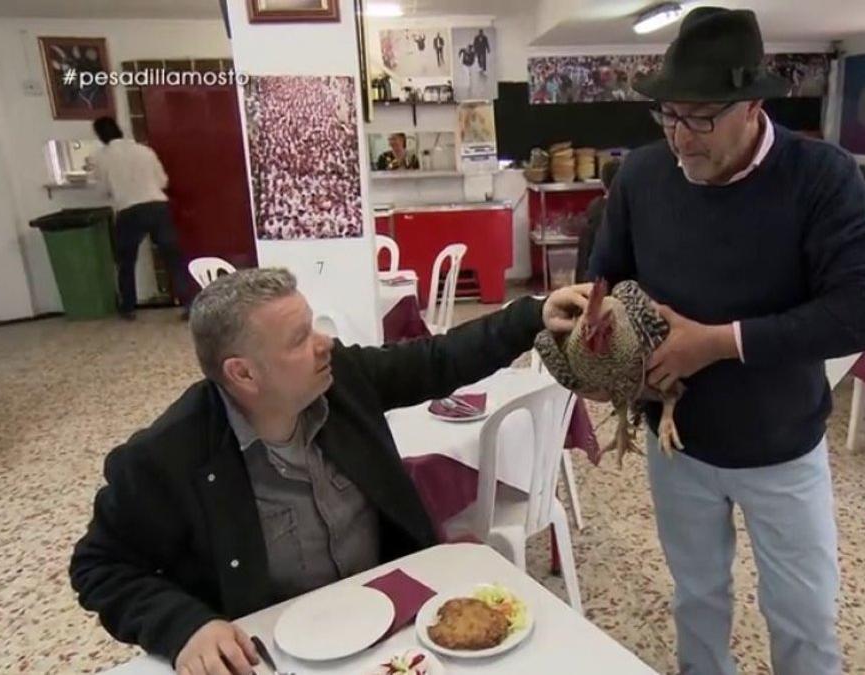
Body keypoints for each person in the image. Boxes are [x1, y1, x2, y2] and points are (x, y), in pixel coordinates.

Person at [70, 267, 590, 675]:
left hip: (393, 631)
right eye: (298, 339)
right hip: (276, 652)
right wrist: (184, 627)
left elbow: (437, 360)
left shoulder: (343, 381)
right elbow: (99, 567)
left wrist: (534, 315)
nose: (323, 342)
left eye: (313, 324)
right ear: (243, 373)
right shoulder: (167, 456)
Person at [588, 8, 865, 675]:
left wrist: (718, 342)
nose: (680, 140)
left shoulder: (820, 176)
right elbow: (606, 279)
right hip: (676, 444)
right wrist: (611, 351)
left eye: (700, 117)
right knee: (697, 599)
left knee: (803, 615)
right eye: (668, 115)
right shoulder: (641, 176)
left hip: (781, 445)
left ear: (752, 104)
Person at [90, 116, 188, 320]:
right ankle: (189, 304)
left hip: (129, 211)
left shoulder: (101, 158)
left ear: (100, 136)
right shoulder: (145, 151)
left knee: (125, 261)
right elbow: (163, 181)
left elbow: (102, 191)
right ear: (120, 130)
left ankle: (128, 308)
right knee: (173, 258)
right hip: (157, 207)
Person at [575, 158, 622, 283]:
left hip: (594, 283)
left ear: (602, 183)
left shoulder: (595, 209)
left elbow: (584, 256)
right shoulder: (628, 209)